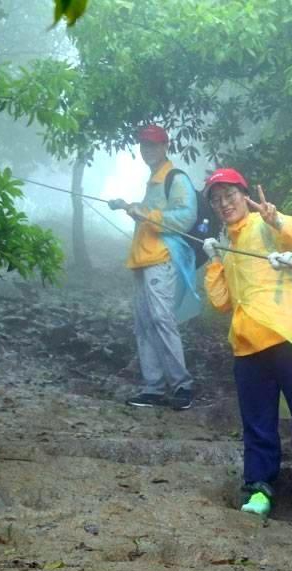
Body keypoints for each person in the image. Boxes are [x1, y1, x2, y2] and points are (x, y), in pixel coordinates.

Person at [200, 169, 292, 523]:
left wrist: (277, 221)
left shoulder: (266, 225)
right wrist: (216, 261)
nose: (224, 203)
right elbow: (222, 302)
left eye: (229, 194)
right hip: (248, 345)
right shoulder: (226, 244)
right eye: (217, 199)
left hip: (289, 335)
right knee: (257, 421)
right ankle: (259, 486)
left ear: (244, 194)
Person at [108, 124, 198, 410]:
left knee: (161, 319)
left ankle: (182, 385)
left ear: (164, 146)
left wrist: (146, 214)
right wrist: (127, 205)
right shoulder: (154, 181)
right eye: (144, 145)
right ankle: (153, 387)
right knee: (144, 323)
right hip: (144, 259)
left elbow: (185, 216)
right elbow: (149, 214)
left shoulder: (175, 178)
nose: (148, 150)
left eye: (153, 145)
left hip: (162, 258)